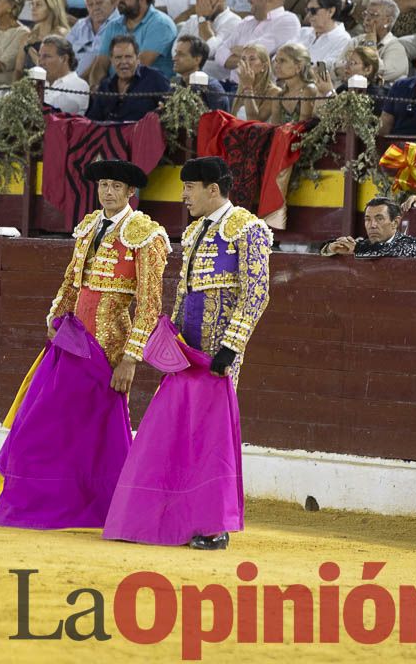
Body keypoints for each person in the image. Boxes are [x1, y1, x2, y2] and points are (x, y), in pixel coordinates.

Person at [0, 159, 167, 530]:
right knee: (48, 421)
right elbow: (71, 282)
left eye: (116, 186)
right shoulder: (89, 227)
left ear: (131, 192)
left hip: (108, 347)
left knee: (95, 431)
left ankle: (107, 507)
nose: (108, 192)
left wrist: (130, 359)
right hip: (73, 337)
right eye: (104, 185)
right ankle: (49, 501)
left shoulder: (146, 235)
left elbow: (150, 304)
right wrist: (55, 319)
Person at [103, 155, 271, 551]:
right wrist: (171, 338)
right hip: (186, 353)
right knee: (177, 431)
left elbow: (256, 294)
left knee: (211, 439)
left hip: (217, 354)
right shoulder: (195, 231)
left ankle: (213, 526)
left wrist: (231, 348)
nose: (183, 195)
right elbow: (185, 292)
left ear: (213, 190)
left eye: (189, 188)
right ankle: (171, 516)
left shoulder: (248, 229)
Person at [90, 0, 177, 84]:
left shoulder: (160, 24)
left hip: (148, 89)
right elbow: (101, 64)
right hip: (114, 88)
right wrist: (95, 88)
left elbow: (137, 68)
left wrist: (115, 91)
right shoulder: (113, 25)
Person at [213, 0, 301, 83]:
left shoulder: (288, 20)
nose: (249, 0)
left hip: (259, 90)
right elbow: (219, 54)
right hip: (231, 84)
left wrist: (236, 52)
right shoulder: (247, 21)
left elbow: (257, 51)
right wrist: (250, 59)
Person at [172, 0, 241, 84]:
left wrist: (202, 20)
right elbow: (175, 52)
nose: (200, 4)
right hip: (184, 82)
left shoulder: (234, 22)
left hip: (216, 84)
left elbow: (210, 51)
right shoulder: (192, 21)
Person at [87, 35, 172, 122]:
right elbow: (93, 121)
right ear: (111, 60)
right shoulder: (105, 86)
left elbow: (173, 110)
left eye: (128, 57)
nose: (123, 62)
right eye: (118, 57)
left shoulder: (155, 78)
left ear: (137, 59)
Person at [321, 196, 416, 257]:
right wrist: (332, 248)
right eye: (368, 219)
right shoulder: (363, 243)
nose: (372, 225)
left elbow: (389, 251)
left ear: (395, 222)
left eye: (379, 219)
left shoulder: (413, 245)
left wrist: (356, 249)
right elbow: (322, 247)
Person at [298, 0, 353, 75]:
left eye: (313, 11)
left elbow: (325, 69)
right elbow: (278, 57)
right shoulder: (302, 32)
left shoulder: (344, 40)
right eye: (307, 11)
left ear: (331, 11)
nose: (309, 15)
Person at [172, 35, 230, 112]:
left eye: (181, 54)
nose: (174, 58)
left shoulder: (210, 88)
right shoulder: (175, 84)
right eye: (176, 53)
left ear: (197, 59)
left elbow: (220, 117)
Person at [17, 0, 70, 71]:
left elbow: (58, 70)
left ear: (51, 7)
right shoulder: (28, 37)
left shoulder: (61, 35)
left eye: (38, 5)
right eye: (32, 4)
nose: (33, 8)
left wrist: (30, 51)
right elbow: (18, 70)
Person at [270, 42, 320, 123]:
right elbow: (274, 127)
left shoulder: (309, 90)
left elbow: (303, 127)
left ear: (298, 67)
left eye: (282, 61)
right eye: (276, 61)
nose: (276, 65)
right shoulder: (279, 95)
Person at [230, 43, 281, 121]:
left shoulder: (275, 92)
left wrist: (248, 88)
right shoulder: (241, 87)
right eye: (243, 59)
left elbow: (255, 122)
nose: (246, 63)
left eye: (252, 59)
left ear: (264, 66)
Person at [39, 35, 89, 114]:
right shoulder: (40, 82)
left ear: (64, 59)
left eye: (47, 56)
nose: (40, 62)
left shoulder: (79, 85)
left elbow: (53, 115)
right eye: (40, 56)